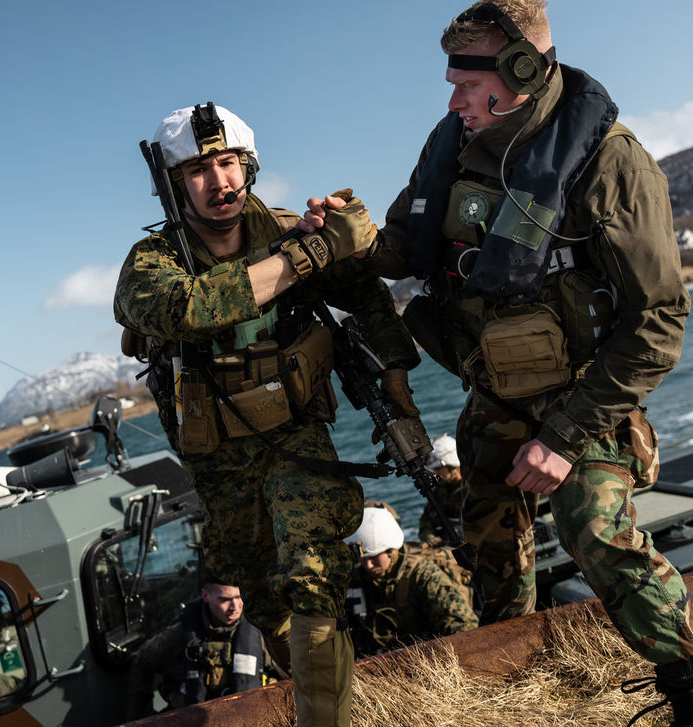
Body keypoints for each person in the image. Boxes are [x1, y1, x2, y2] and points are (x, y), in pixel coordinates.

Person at [301, 3, 693, 724]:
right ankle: (520, 680)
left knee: (595, 530)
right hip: (497, 398)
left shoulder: (609, 160)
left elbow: (658, 320)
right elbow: (404, 251)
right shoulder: (451, 149)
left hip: (584, 397)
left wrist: (564, 439)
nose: (451, 101)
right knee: (487, 542)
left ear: (522, 72)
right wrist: (340, 234)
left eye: (465, 84)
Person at [115, 103, 424, 727]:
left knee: (313, 573)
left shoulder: (288, 228)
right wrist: (304, 259)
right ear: (174, 185)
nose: (219, 181)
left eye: (229, 163)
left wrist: (396, 382)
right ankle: (326, 695)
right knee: (262, 594)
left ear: (248, 165)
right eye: (199, 169)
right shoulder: (151, 263)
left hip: (296, 437)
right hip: (220, 460)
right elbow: (190, 309)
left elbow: (367, 295)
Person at [126, 581, 280, 718]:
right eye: (225, 600)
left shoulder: (261, 629)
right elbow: (143, 660)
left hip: (252, 716)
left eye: (239, 597)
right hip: (196, 718)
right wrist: (141, 718)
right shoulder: (181, 634)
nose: (235, 607)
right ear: (206, 596)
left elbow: (290, 671)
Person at [345, 504, 477, 657]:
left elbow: (464, 629)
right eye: (362, 559)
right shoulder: (358, 577)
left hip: (427, 656)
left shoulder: (423, 574)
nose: (368, 565)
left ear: (391, 550)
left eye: (374, 557)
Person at [417, 434, 464, 546]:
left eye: (438, 469)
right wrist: (429, 536)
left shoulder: (470, 489)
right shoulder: (440, 490)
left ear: (452, 466)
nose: (435, 473)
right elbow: (426, 520)